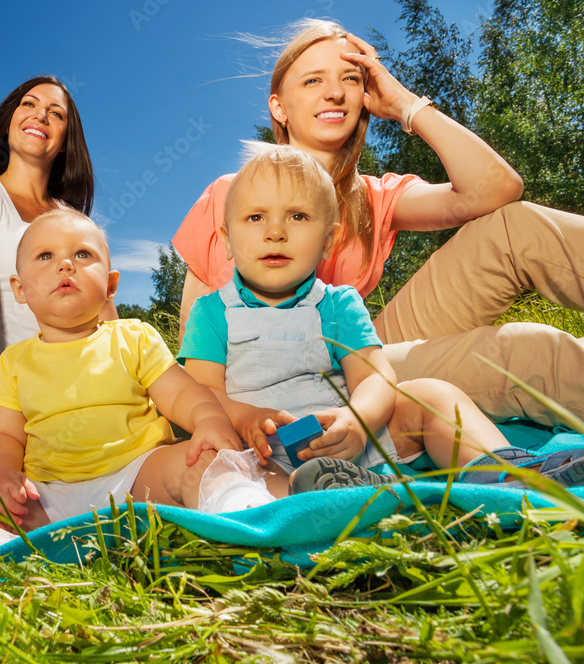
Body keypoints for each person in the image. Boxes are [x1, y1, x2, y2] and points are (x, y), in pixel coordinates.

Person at [172, 18, 584, 427]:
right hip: (294, 384)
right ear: (279, 107)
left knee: (516, 227)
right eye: (313, 81)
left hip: (362, 350)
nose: (334, 93)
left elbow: (496, 189)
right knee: (527, 350)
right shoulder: (233, 197)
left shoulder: (373, 196)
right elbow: (198, 340)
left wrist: (405, 103)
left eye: (350, 79)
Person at [0, 209, 412, 535]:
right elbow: (3, 436)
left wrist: (208, 423)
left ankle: (251, 517)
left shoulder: (132, 337)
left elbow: (183, 394)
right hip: (46, 495)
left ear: (110, 283)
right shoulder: (15, 361)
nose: (65, 263)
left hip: (136, 478)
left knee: (201, 462)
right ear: (20, 288)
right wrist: (3, 473)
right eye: (45, 257)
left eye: (83, 255)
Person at [179, 144, 584, 491]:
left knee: (433, 395)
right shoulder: (214, 312)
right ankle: (327, 499)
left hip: (351, 437)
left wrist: (360, 419)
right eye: (255, 217)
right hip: (263, 454)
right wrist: (244, 416)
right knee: (211, 465)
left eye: (297, 216)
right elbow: (203, 393)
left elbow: (373, 376)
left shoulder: (337, 304)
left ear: (328, 241)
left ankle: (505, 475)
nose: (276, 232)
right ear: (228, 240)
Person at [0, 76, 115, 487]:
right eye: (29, 104)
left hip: (88, 397)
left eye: (56, 113)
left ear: (66, 138)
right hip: (18, 410)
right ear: (8, 122)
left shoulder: (76, 219)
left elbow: (107, 324)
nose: (41, 115)